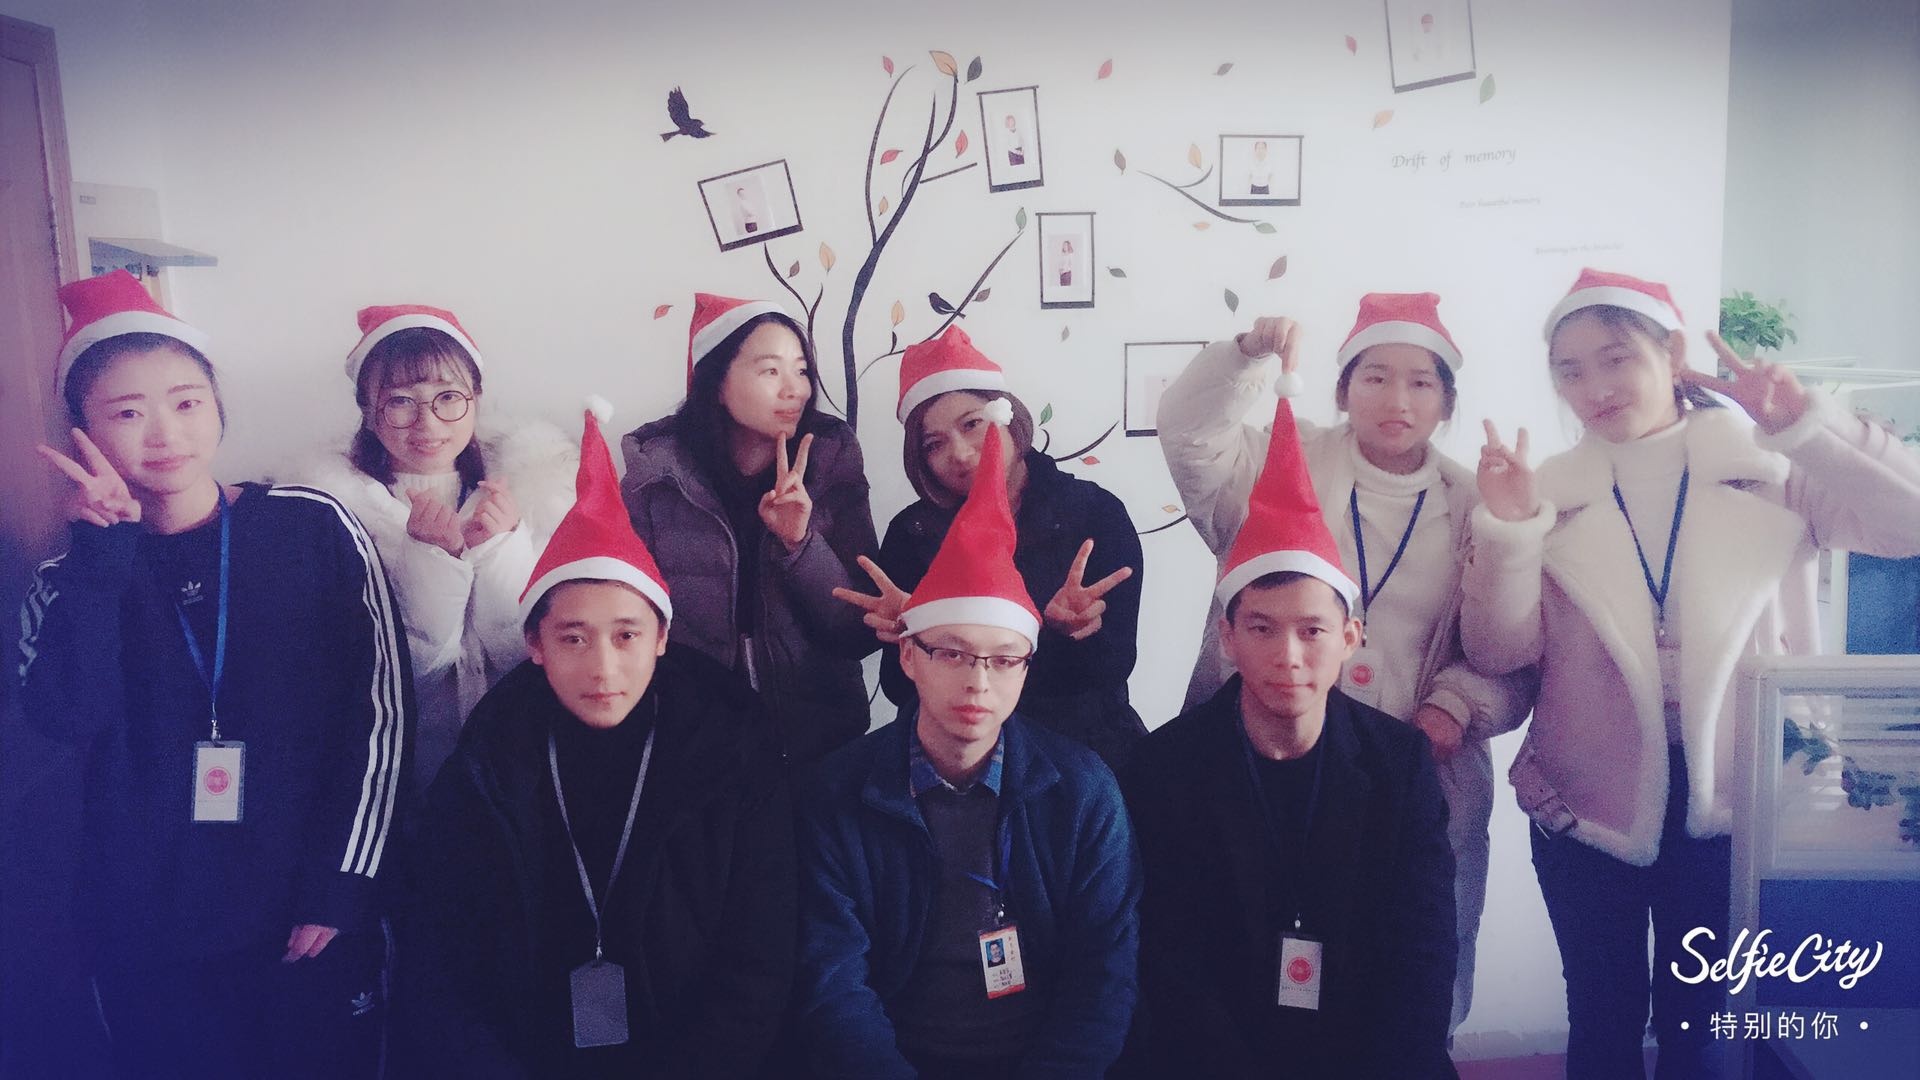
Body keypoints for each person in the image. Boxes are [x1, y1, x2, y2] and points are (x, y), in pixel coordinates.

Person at [1462, 268, 1920, 1079]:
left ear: (1672, 354)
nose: (1595, 388)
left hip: (1743, 795)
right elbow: (1501, 654)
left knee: (1704, 1028)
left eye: (1616, 359)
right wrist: (1509, 532)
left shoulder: (1772, 469)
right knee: (1601, 1018)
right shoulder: (1546, 495)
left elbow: (1907, 524)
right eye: (1570, 370)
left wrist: (1808, 427)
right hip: (1586, 801)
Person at [16, 270, 412, 1078]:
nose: (165, 433)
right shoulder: (70, 579)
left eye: (187, 401)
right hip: (149, 936)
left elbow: (379, 713)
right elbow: (66, 716)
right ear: (82, 431)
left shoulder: (311, 526)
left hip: (305, 912)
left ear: (218, 408)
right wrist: (102, 559)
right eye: (128, 412)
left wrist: (342, 881)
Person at [1158, 293, 1531, 1035]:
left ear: (1447, 399)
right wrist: (1244, 355)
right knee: (1245, 954)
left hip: (1416, 768)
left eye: (1421, 382)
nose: (1397, 400)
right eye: (1375, 377)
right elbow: (1191, 437)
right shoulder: (1279, 460)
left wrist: (1456, 704)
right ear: (1342, 389)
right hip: (1268, 754)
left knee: (1407, 966)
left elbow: (1510, 652)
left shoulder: (1474, 500)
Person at [400, 404, 794, 1078]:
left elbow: (760, 960)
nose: (603, 669)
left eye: (626, 635)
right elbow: (444, 959)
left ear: (662, 636)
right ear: (535, 644)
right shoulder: (492, 753)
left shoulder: (731, 745)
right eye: (574, 638)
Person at [795, 406, 1140, 1079]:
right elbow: (833, 984)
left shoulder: (1083, 794)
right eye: (951, 653)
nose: (978, 682)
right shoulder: (839, 792)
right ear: (908, 657)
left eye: (1003, 659)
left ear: (1026, 669)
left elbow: (1103, 980)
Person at [1125, 383, 1457, 1079]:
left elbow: (1421, 953)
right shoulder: (1164, 768)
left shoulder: (1399, 764)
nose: (1289, 656)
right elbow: (1171, 961)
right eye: (1261, 629)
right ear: (1228, 637)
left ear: (1350, 637)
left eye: (1312, 631)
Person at [296, 303, 574, 789]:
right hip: (392, 769)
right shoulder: (328, 514)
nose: (427, 423)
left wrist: (502, 548)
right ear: (368, 412)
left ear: (476, 399)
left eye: (448, 397)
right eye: (400, 401)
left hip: (520, 758)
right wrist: (431, 559)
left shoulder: (538, 493)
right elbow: (391, 672)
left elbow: (529, 652)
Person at [841, 326, 1146, 769]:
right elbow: (898, 688)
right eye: (934, 444)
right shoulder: (913, 533)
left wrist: (1064, 635)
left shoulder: (1094, 514)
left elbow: (1115, 665)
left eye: (972, 424)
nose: (961, 453)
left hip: (1082, 752)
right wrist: (916, 637)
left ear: (1009, 418)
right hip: (958, 756)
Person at [621, 294, 879, 763]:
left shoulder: (831, 461)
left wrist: (800, 544)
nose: (796, 390)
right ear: (716, 383)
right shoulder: (656, 477)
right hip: (694, 744)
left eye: (802, 370)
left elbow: (857, 631)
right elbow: (628, 625)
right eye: (771, 370)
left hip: (819, 744)